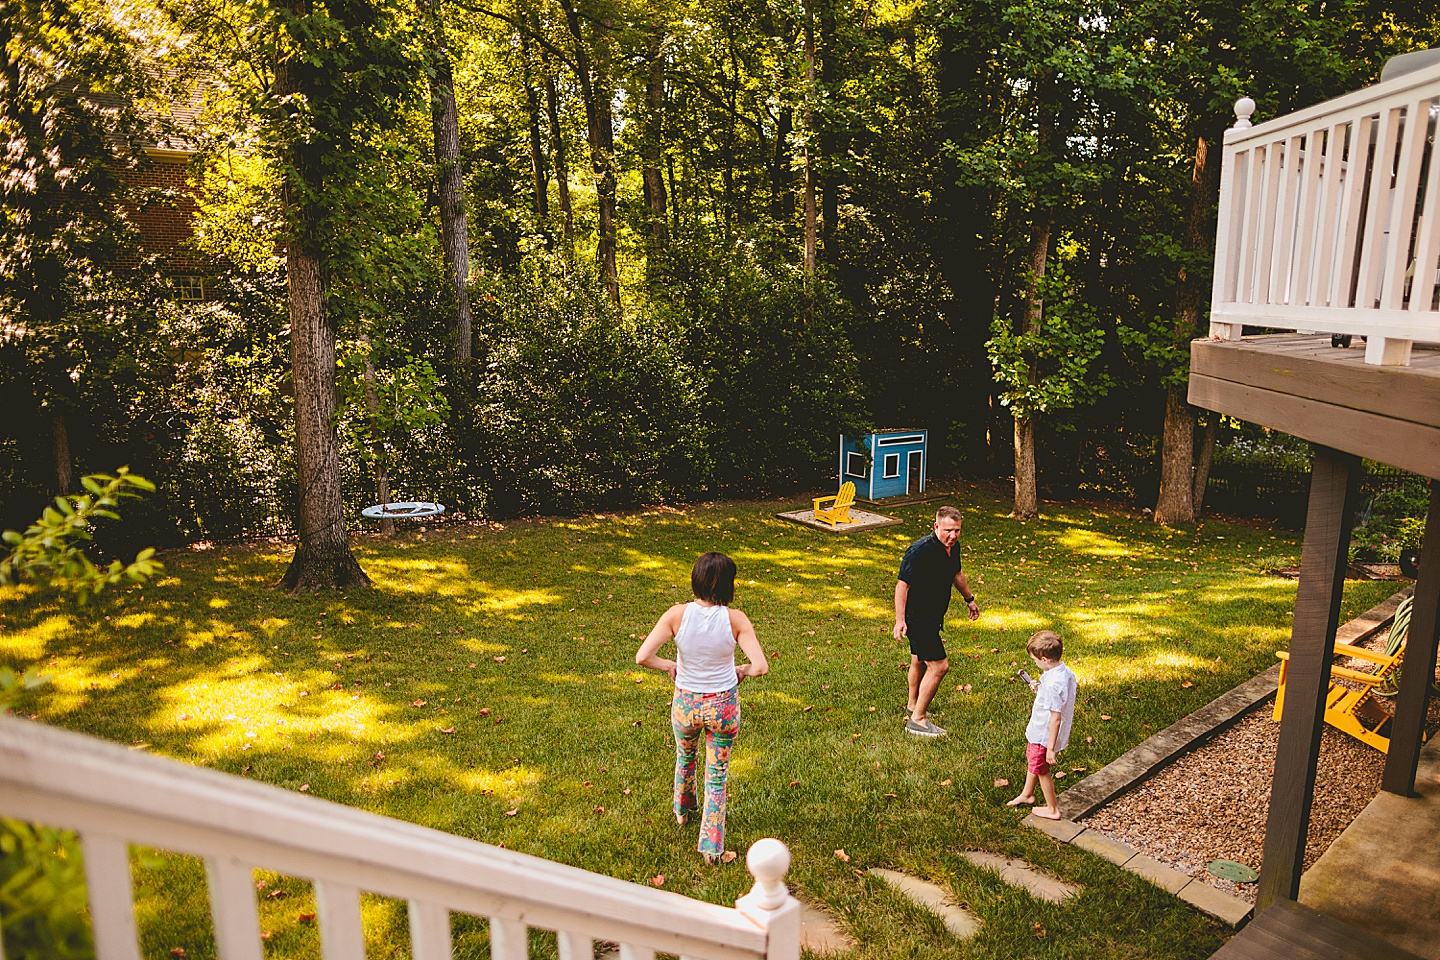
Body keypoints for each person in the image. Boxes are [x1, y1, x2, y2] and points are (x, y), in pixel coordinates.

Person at [635, 551, 768, 863]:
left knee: (686, 756)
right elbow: (760, 666)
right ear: (728, 586)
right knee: (717, 776)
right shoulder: (736, 619)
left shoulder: (676, 614)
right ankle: (711, 846)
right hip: (722, 706)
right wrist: (741, 670)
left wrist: (669, 664)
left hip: (686, 705)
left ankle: (682, 810)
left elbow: (643, 657)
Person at [894, 505, 979, 736]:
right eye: (948, 530)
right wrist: (899, 619)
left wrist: (969, 599)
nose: (953, 536)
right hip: (918, 617)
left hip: (933, 615)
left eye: (957, 531)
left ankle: (913, 705)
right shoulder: (919, 550)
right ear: (936, 526)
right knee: (940, 666)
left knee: (918, 660)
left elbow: (956, 573)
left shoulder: (953, 547)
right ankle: (917, 720)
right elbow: (903, 584)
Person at [1006, 629, 1077, 820]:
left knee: (1042, 769)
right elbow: (1056, 698)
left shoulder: (1054, 685)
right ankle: (1027, 794)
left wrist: (1050, 748)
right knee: (1034, 762)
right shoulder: (1062, 672)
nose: (1035, 663)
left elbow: (1055, 717)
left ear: (1044, 659)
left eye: (1035, 660)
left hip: (1044, 734)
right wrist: (1039, 688)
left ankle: (1052, 809)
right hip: (1041, 732)